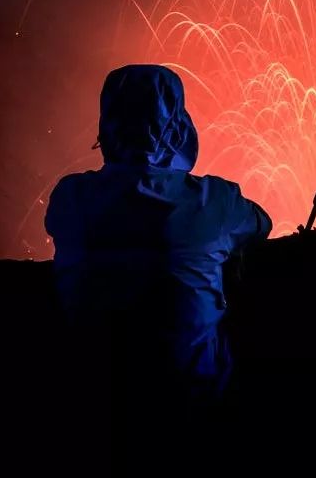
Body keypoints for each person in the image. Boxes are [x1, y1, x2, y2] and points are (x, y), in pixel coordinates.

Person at [45, 64, 272, 408]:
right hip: (192, 398)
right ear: (179, 125)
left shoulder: (70, 197)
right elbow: (261, 225)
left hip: (92, 397)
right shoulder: (214, 200)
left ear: (107, 123)